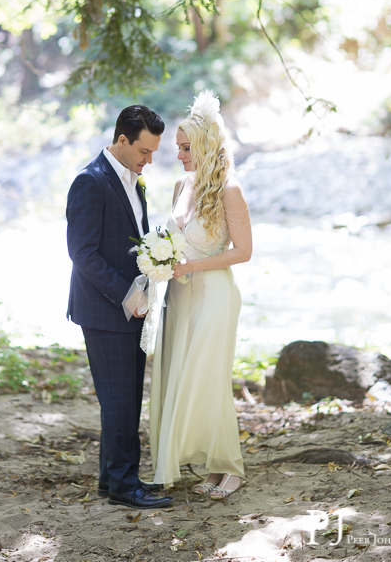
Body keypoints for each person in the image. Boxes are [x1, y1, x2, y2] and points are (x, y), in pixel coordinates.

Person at [66, 105, 173, 509]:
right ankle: (127, 488)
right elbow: (83, 254)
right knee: (119, 400)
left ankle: (112, 481)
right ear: (122, 140)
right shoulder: (90, 182)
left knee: (125, 398)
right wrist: (131, 296)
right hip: (105, 310)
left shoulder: (134, 180)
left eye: (154, 153)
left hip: (132, 308)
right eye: (144, 151)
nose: (149, 160)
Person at [149, 91, 252, 499]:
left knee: (209, 379)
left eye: (186, 147)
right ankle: (206, 463)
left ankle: (230, 467)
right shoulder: (181, 185)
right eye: (178, 147)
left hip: (213, 295)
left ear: (207, 146)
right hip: (180, 297)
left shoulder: (230, 190)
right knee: (182, 376)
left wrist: (192, 266)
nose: (179, 155)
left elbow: (243, 251)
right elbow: (173, 240)